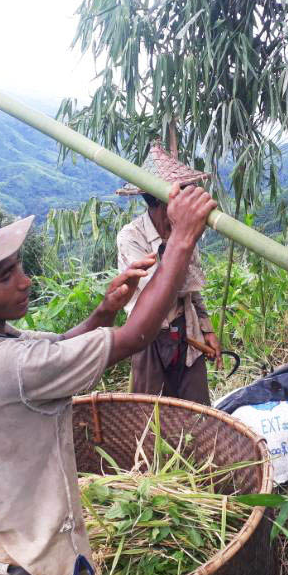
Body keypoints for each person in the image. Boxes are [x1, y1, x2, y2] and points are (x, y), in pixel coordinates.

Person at [0, 184, 216, 575]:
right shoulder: (7, 366)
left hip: (8, 527)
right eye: (4, 277)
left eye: (18, 267)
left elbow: (55, 348)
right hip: (28, 549)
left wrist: (105, 310)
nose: (25, 280)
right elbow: (135, 339)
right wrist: (183, 241)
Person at [115, 141, 222, 405]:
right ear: (167, 203)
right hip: (148, 336)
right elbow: (159, 293)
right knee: (151, 418)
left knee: (197, 414)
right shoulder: (132, 237)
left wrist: (207, 329)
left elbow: (192, 291)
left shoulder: (184, 232)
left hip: (187, 333)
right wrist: (180, 246)